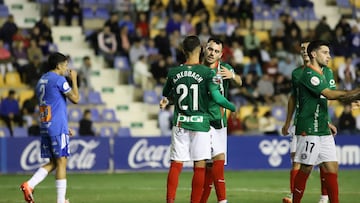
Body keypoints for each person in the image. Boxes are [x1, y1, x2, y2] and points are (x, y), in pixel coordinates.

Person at [161, 35, 236, 203]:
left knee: (176, 164)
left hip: (180, 122)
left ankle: (170, 201)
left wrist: (166, 100)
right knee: (200, 167)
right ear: (201, 50)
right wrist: (232, 107)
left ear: (182, 50)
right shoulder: (207, 72)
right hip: (201, 124)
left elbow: (167, 94)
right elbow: (217, 97)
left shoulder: (174, 72)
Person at [292, 40, 360, 203]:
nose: (329, 56)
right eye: (325, 52)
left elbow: (327, 99)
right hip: (308, 129)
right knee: (306, 168)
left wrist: (352, 98)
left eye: (329, 53)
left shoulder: (322, 73)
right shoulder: (309, 75)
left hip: (323, 127)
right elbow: (330, 95)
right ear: (313, 54)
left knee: (332, 168)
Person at [281, 41, 337, 203]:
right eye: (302, 49)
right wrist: (287, 121)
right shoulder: (297, 73)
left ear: (312, 52)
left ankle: (324, 197)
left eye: (307, 48)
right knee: (298, 162)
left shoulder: (327, 72)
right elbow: (293, 98)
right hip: (302, 124)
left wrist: (326, 120)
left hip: (320, 123)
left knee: (323, 164)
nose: (304, 51)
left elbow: (330, 96)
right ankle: (295, 196)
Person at [20, 52, 79, 203]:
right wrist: (74, 80)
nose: (67, 68)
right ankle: (60, 201)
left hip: (46, 125)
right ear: (58, 65)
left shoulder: (41, 80)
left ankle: (29, 184)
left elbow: (52, 103)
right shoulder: (59, 80)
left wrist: (64, 126)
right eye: (65, 64)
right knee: (62, 162)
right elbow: (76, 99)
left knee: (54, 162)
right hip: (57, 126)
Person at [200, 37, 242, 203]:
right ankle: (222, 200)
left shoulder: (225, 69)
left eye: (216, 51)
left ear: (221, 54)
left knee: (213, 165)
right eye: (210, 49)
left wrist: (232, 76)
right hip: (202, 122)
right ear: (205, 48)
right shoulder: (197, 69)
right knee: (212, 162)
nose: (212, 53)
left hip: (219, 121)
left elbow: (240, 82)